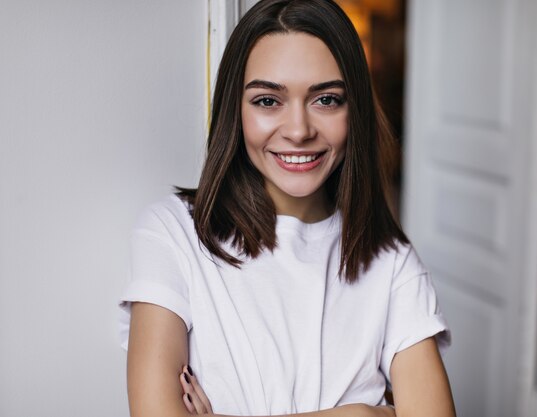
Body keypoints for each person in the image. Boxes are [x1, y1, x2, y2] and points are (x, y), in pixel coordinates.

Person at [118, 0, 455, 416]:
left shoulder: (392, 263)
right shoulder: (172, 233)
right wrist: (365, 413)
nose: (299, 130)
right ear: (234, 110)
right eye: (267, 101)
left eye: (327, 100)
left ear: (356, 111)